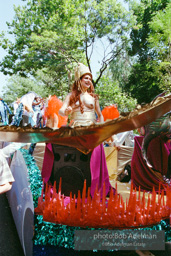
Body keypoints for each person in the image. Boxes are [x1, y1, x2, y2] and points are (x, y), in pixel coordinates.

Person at [42, 63, 114, 198]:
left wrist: (102, 127)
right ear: (79, 80)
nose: (88, 80)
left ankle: (94, 184)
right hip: (75, 129)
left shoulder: (94, 97)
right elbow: (61, 110)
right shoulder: (71, 95)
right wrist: (67, 110)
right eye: (86, 78)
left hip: (91, 129)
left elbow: (100, 114)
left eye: (90, 78)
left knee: (94, 152)